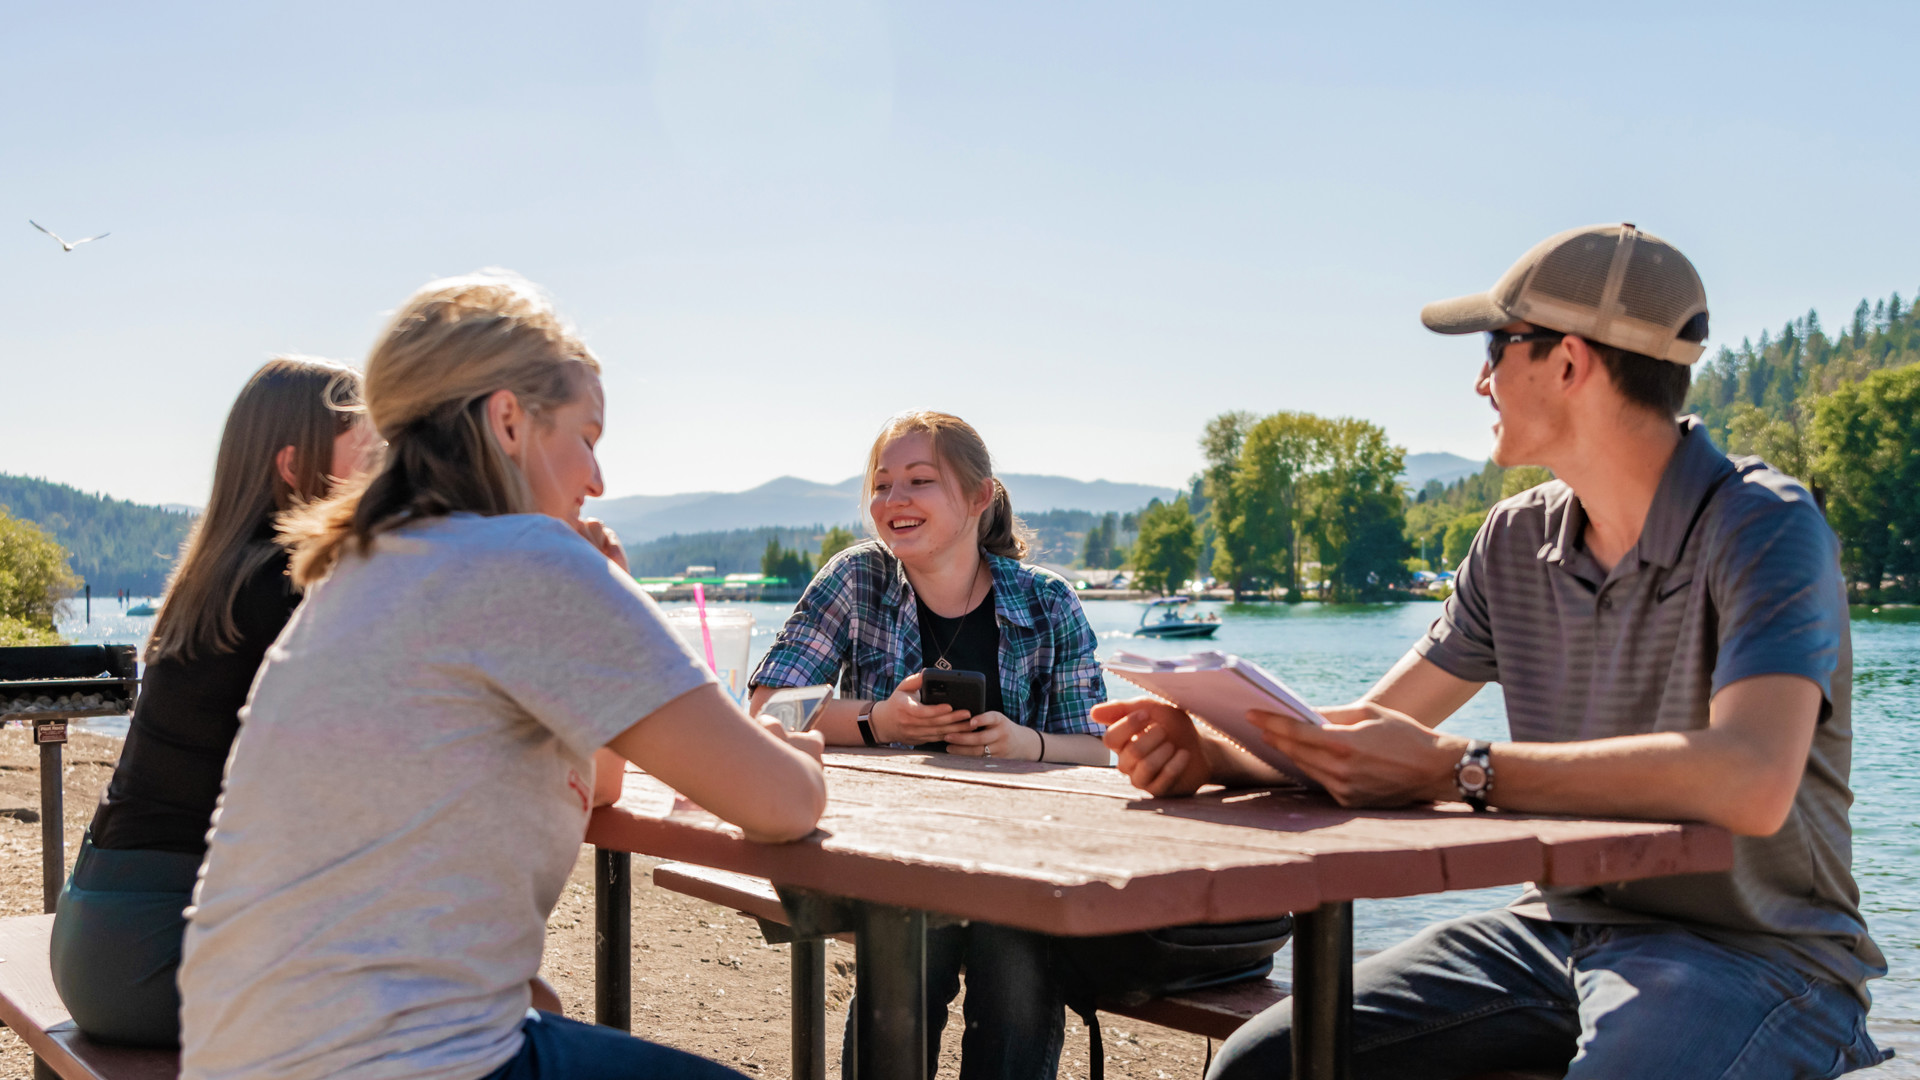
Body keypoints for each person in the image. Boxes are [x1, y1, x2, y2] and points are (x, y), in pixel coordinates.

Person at [1098, 224, 1889, 1080]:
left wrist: (1459, 770)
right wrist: (1212, 752)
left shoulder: (1766, 527)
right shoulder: (1516, 537)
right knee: (1265, 1064)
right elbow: (1377, 734)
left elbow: (1751, 778)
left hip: (1760, 958)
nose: (1481, 380)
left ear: (1568, 363)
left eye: (1495, 348)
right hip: (1553, 929)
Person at [175, 272, 828, 1080]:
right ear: (508, 421)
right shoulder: (517, 561)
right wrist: (789, 751)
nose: (597, 479)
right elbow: (782, 804)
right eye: (587, 437)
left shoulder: (371, 567)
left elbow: (603, 784)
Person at [748, 409, 1109, 1080]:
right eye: (882, 485)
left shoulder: (1049, 602)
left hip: (1023, 858)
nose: (894, 501)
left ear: (979, 498)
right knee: (909, 953)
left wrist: (1025, 743)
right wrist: (879, 722)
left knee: (1018, 957)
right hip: (896, 854)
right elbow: (769, 708)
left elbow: (1096, 751)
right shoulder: (856, 578)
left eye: (919, 481)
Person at [50, 356, 376, 1047]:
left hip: (103, 935)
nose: (385, 474)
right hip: (156, 955)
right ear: (295, 466)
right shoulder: (286, 587)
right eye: (369, 454)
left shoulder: (226, 573)